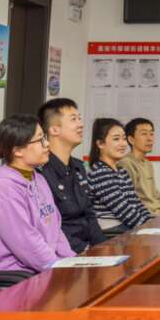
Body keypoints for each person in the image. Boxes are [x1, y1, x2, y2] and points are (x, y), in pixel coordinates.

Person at [0, 115, 75, 273]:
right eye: (40, 140)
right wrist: (58, 268)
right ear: (18, 151)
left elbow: (55, 231)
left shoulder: (39, 179)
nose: (47, 144)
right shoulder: (2, 188)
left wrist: (72, 261)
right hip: (13, 273)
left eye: (45, 138)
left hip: (42, 266)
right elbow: (26, 243)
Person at [37, 98, 105, 254]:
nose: (80, 124)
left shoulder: (78, 167)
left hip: (89, 250)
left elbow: (89, 215)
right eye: (73, 119)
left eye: (79, 118)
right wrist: (84, 250)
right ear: (54, 129)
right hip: (65, 252)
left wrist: (104, 248)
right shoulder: (42, 172)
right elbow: (51, 226)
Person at [87, 118, 153, 232]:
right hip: (111, 230)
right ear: (100, 144)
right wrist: (149, 228)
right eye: (116, 139)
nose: (123, 144)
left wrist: (151, 222)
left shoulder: (121, 171)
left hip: (124, 226)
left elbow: (136, 203)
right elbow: (123, 210)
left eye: (124, 138)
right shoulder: (100, 172)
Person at [117, 118, 160, 215]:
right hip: (147, 217)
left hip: (159, 214)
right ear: (131, 139)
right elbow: (130, 201)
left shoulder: (148, 163)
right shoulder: (126, 164)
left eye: (151, 134)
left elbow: (155, 194)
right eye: (144, 134)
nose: (150, 138)